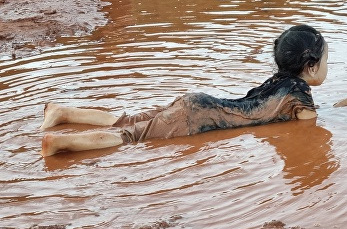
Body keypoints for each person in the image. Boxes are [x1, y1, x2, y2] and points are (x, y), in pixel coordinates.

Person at [39, 25, 328, 157]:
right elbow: (308, 128)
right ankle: (62, 143)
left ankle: (63, 111)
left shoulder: (278, 81)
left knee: (128, 119)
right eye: (327, 61)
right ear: (312, 66)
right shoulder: (298, 93)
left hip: (198, 104)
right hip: (196, 117)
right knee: (130, 136)